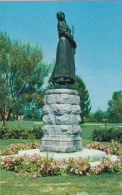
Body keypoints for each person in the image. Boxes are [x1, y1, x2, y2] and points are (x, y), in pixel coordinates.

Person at [50, 11, 77, 85]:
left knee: (68, 62)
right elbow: (65, 33)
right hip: (63, 43)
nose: (60, 15)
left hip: (68, 44)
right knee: (62, 61)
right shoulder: (60, 23)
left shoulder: (64, 23)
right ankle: (58, 78)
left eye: (61, 14)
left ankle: (67, 78)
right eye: (58, 15)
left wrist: (72, 44)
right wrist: (73, 42)